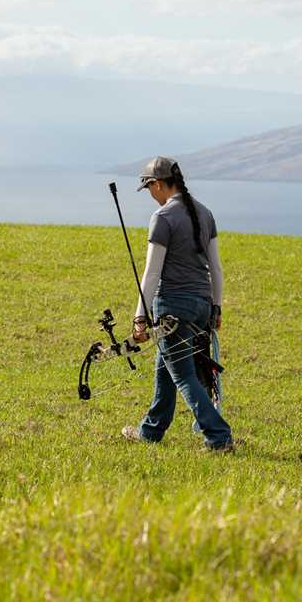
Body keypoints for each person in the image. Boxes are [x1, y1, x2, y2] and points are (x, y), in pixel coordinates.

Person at [121, 156, 234, 453]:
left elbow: (152, 272)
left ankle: (219, 437)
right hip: (201, 306)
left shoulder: (163, 218)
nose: (150, 196)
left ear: (157, 184)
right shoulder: (205, 213)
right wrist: (216, 308)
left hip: (172, 306)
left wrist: (139, 316)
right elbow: (217, 269)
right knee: (166, 366)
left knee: (182, 374)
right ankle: (151, 431)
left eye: (148, 189)